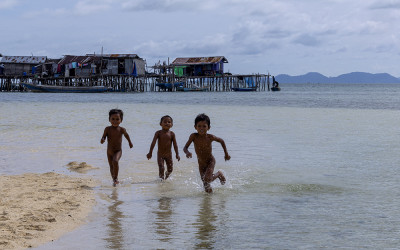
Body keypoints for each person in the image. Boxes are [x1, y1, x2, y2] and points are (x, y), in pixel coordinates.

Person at [183, 113, 230, 193]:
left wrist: (226, 154)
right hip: (201, 163)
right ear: (195, 127)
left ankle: (218, 174)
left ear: (209, 128)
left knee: (207, 179)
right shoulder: (193, 136)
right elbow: (185, 147)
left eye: (204, 126)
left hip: (210, 161)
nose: (201, 128)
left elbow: (221, 141)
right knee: (206, 185)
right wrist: (187, 152)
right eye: (199, 126)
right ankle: (208, 201)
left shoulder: (210, 137)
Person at [101, 109, 133, 186]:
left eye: (117, 119)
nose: (115, 121)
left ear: (121, 120)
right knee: (111, 166)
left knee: (115, 161)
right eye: (113, 119)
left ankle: (116, 178)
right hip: (109, 151)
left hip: (118, 151)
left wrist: (130, 142)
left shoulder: (122, 129)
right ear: (109, 119)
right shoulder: (107, 129)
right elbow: (104, 136)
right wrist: (102, 139)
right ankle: (114, 181)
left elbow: (126, 135)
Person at [147, 115, 180, 180]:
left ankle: (166, 176)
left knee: (170, 169)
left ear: (172, 124)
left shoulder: (172, 134)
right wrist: (150, 152)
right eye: (165, 122)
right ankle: (161, 181)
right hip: (160, 154)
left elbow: (175, 145)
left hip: (169, 155)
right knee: (161, 167)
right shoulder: (158, 133)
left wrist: (177, 154)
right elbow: (153, 143)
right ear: (160, 124)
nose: (167, 123)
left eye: (169, 122)